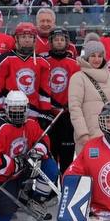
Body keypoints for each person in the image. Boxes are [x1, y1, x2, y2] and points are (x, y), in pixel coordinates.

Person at [0, 91, 59, 221]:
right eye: (14, 108)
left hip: (23, 169)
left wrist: (37, 153)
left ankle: (36, 201)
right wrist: (17, 164)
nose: (18, 112)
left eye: (21, 108)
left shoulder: (31, 124)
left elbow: (43, 138)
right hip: (3, 176)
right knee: (2, 219)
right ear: (6, 108)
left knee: (50, 167)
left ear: (26, 108)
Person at [67, 38, 110, 156]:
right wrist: (82, 133)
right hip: (89, 136)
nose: (97, 59)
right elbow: (75, 108)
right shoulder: (78, 77)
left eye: (100, 55)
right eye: (93, 55)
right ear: (86, 57)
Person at [0, 21, 51, 115]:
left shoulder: (42, 62)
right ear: (16, 39)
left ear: (34, 39)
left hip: (33, 111)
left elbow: (44, 90)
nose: (27, 40)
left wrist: (45, 111)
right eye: (23, 37)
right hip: (10, 109)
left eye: (30, 37)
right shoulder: (4, 60)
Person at [40, 27, 80, 170]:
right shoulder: (43, 62)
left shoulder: (74, 64)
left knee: (67, 157)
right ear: (50, 42)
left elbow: (78, 87)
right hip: (48, 115)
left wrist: (71, 102)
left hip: (66, 115)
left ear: (67, 42)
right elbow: (41, 86)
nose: (59, 42)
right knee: (50, 155)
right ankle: (49, 191)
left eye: (62, 40)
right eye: (56, 39)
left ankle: (65, 187)